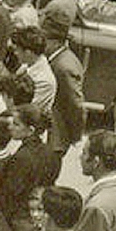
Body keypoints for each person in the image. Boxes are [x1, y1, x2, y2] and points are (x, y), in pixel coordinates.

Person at [43, 16, 84, 156]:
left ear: (54, 42)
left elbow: (76, 105)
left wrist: (75, 136)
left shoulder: (64, 66)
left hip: (55, 138)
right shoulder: (59, 59)